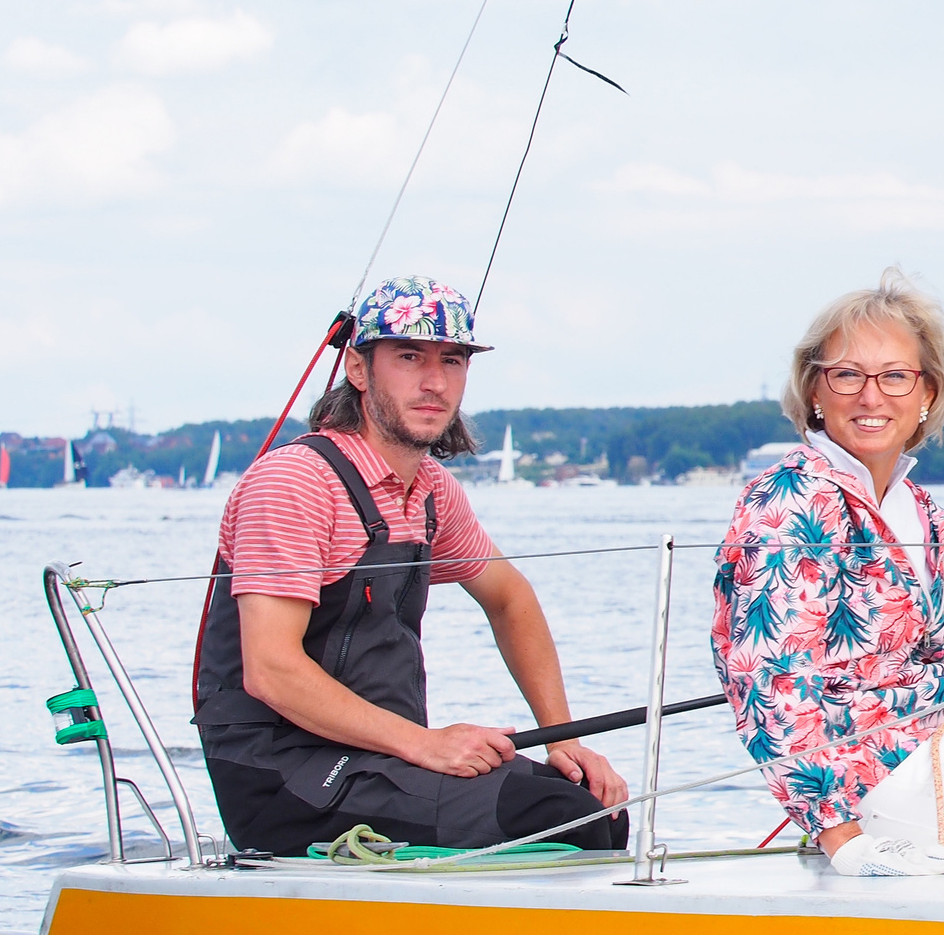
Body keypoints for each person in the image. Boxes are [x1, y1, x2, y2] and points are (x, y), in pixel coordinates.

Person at [193, 277, 628, 856]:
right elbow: (270, 670)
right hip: (281, 777)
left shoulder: (430, 489)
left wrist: (562, 736)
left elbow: (509, 597)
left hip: (378, 758)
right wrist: (425, 745)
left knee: (597, 805)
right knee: (557, 816)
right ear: (357, 368)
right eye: (408, 357)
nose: (434, 382)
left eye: (452, 360)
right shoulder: (295, 481)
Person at [711, 270, 944, 876]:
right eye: (847, 375)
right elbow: (768, 681)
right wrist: (840, 835)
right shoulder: (793, 501)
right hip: (876, 792)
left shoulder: (924, 512)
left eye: (895, 376)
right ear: (815, 389)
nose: (872, 397)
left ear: (927, 395)